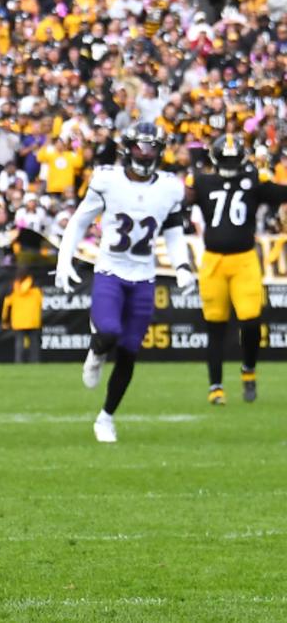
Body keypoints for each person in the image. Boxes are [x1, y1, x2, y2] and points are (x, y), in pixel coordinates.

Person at [55, 123, 194, 443]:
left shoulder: (170, 187)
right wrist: (64, 259)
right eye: (138, 148)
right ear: (126, 148)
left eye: (151, 148)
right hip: (110, 271)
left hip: (144, 277)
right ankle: (96, 350)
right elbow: (79, 221)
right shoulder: (107, 180)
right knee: (108, 331)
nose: (144, 154)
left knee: (130, 351)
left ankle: (106, 417)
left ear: (160, 152)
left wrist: (183, 265)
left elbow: (173, 233)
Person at [188, 133, 287, 404]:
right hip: (213, 261)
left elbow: (281, 192)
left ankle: (248, 370)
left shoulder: (252, 182)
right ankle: (216, 387)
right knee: (215, 326)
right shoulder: (204, 182)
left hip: (243, 260)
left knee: (251, 321)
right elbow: (178, 203)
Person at [1, 267, 43, 363]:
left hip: (18, 321)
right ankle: (35, 363)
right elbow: (41, 302)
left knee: (19, 343)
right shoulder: (36, 287)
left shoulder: (13, 288)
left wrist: (5, 321)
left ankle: (19, 362)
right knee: (34, 344)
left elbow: (6, 305)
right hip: (33, 320)